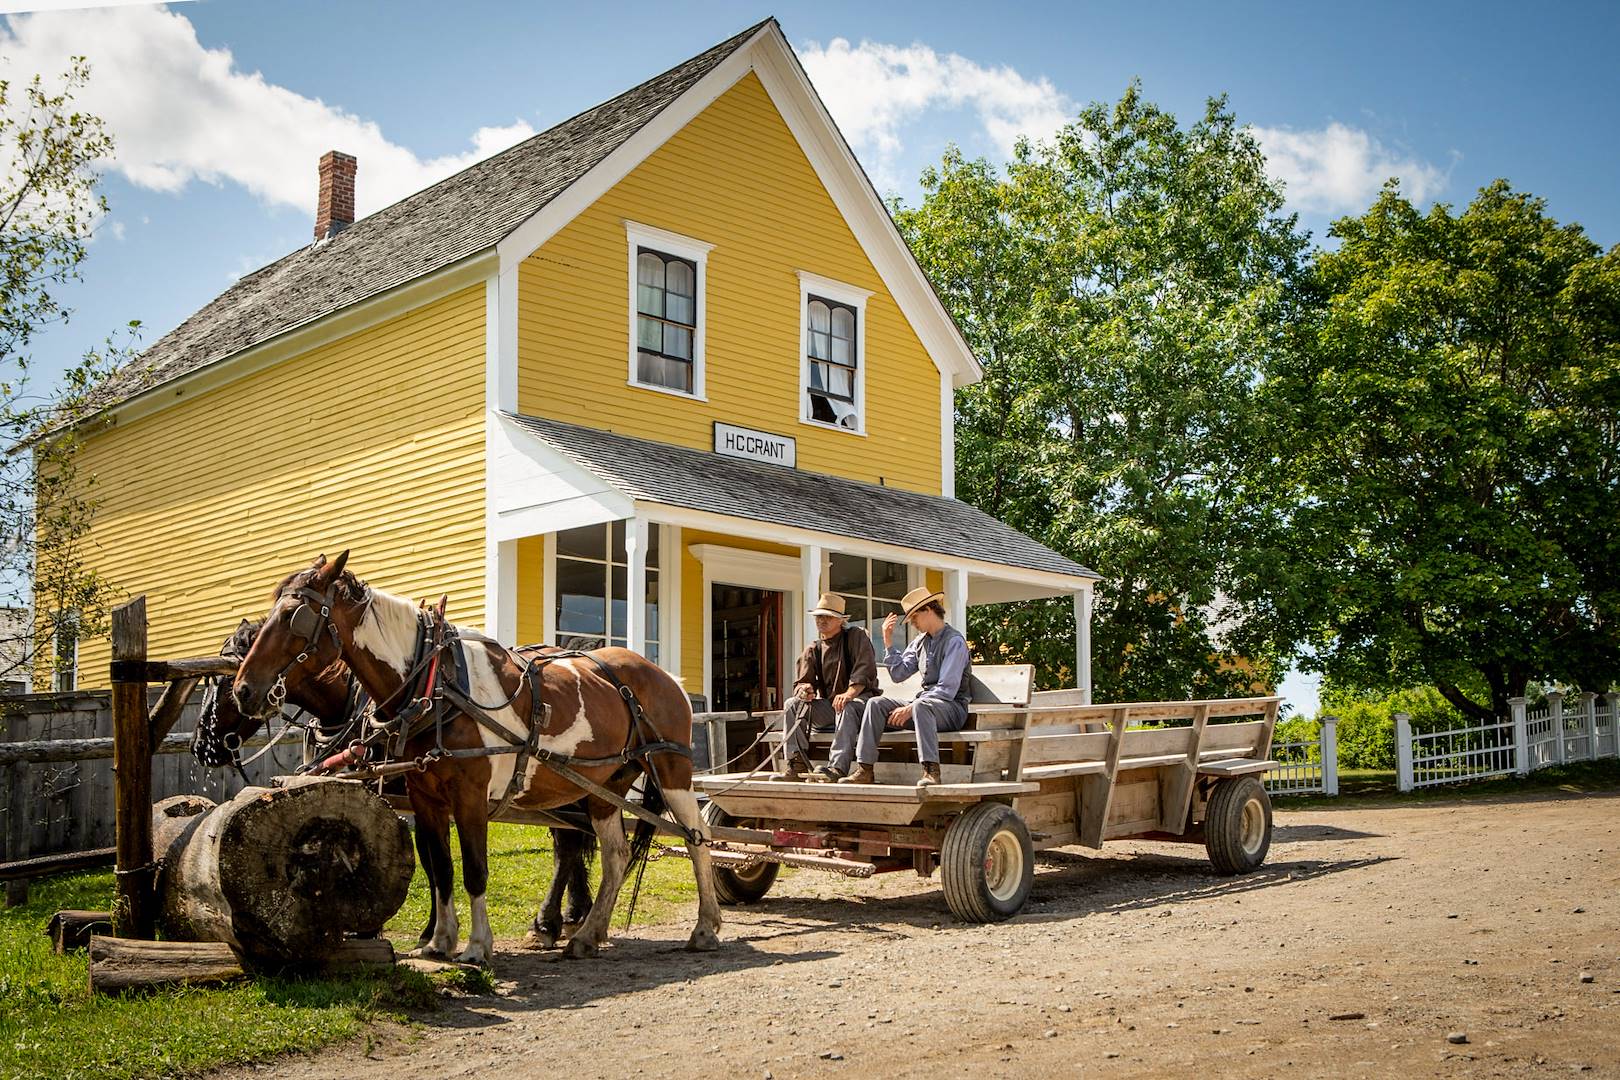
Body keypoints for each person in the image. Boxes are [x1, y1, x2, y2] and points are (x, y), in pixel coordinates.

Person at [822, 586, 973, 788]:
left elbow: (947, 689)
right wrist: (888, 641)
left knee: (920, 706)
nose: (913, 624)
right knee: (876, 704)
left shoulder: (954, 641)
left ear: (929, 610)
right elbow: (898, 674)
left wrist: (911, 707)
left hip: (951, 708)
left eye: (914, 618)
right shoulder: (920, 642)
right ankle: (865, 769)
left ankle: (931, 771)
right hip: (925, 706)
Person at [775, 592, 878, 781]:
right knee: (793, 704)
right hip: (832, 707)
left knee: (846, 705)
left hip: (862, 706)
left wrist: (849, 694)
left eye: (827, 616)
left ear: (840, 620)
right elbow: (801, 682)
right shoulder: (813, 649)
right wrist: (804, 690)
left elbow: (865, 671)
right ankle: (796, 764)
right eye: (819, 616)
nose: (821, 620)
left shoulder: (856, 637)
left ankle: (837, 768)